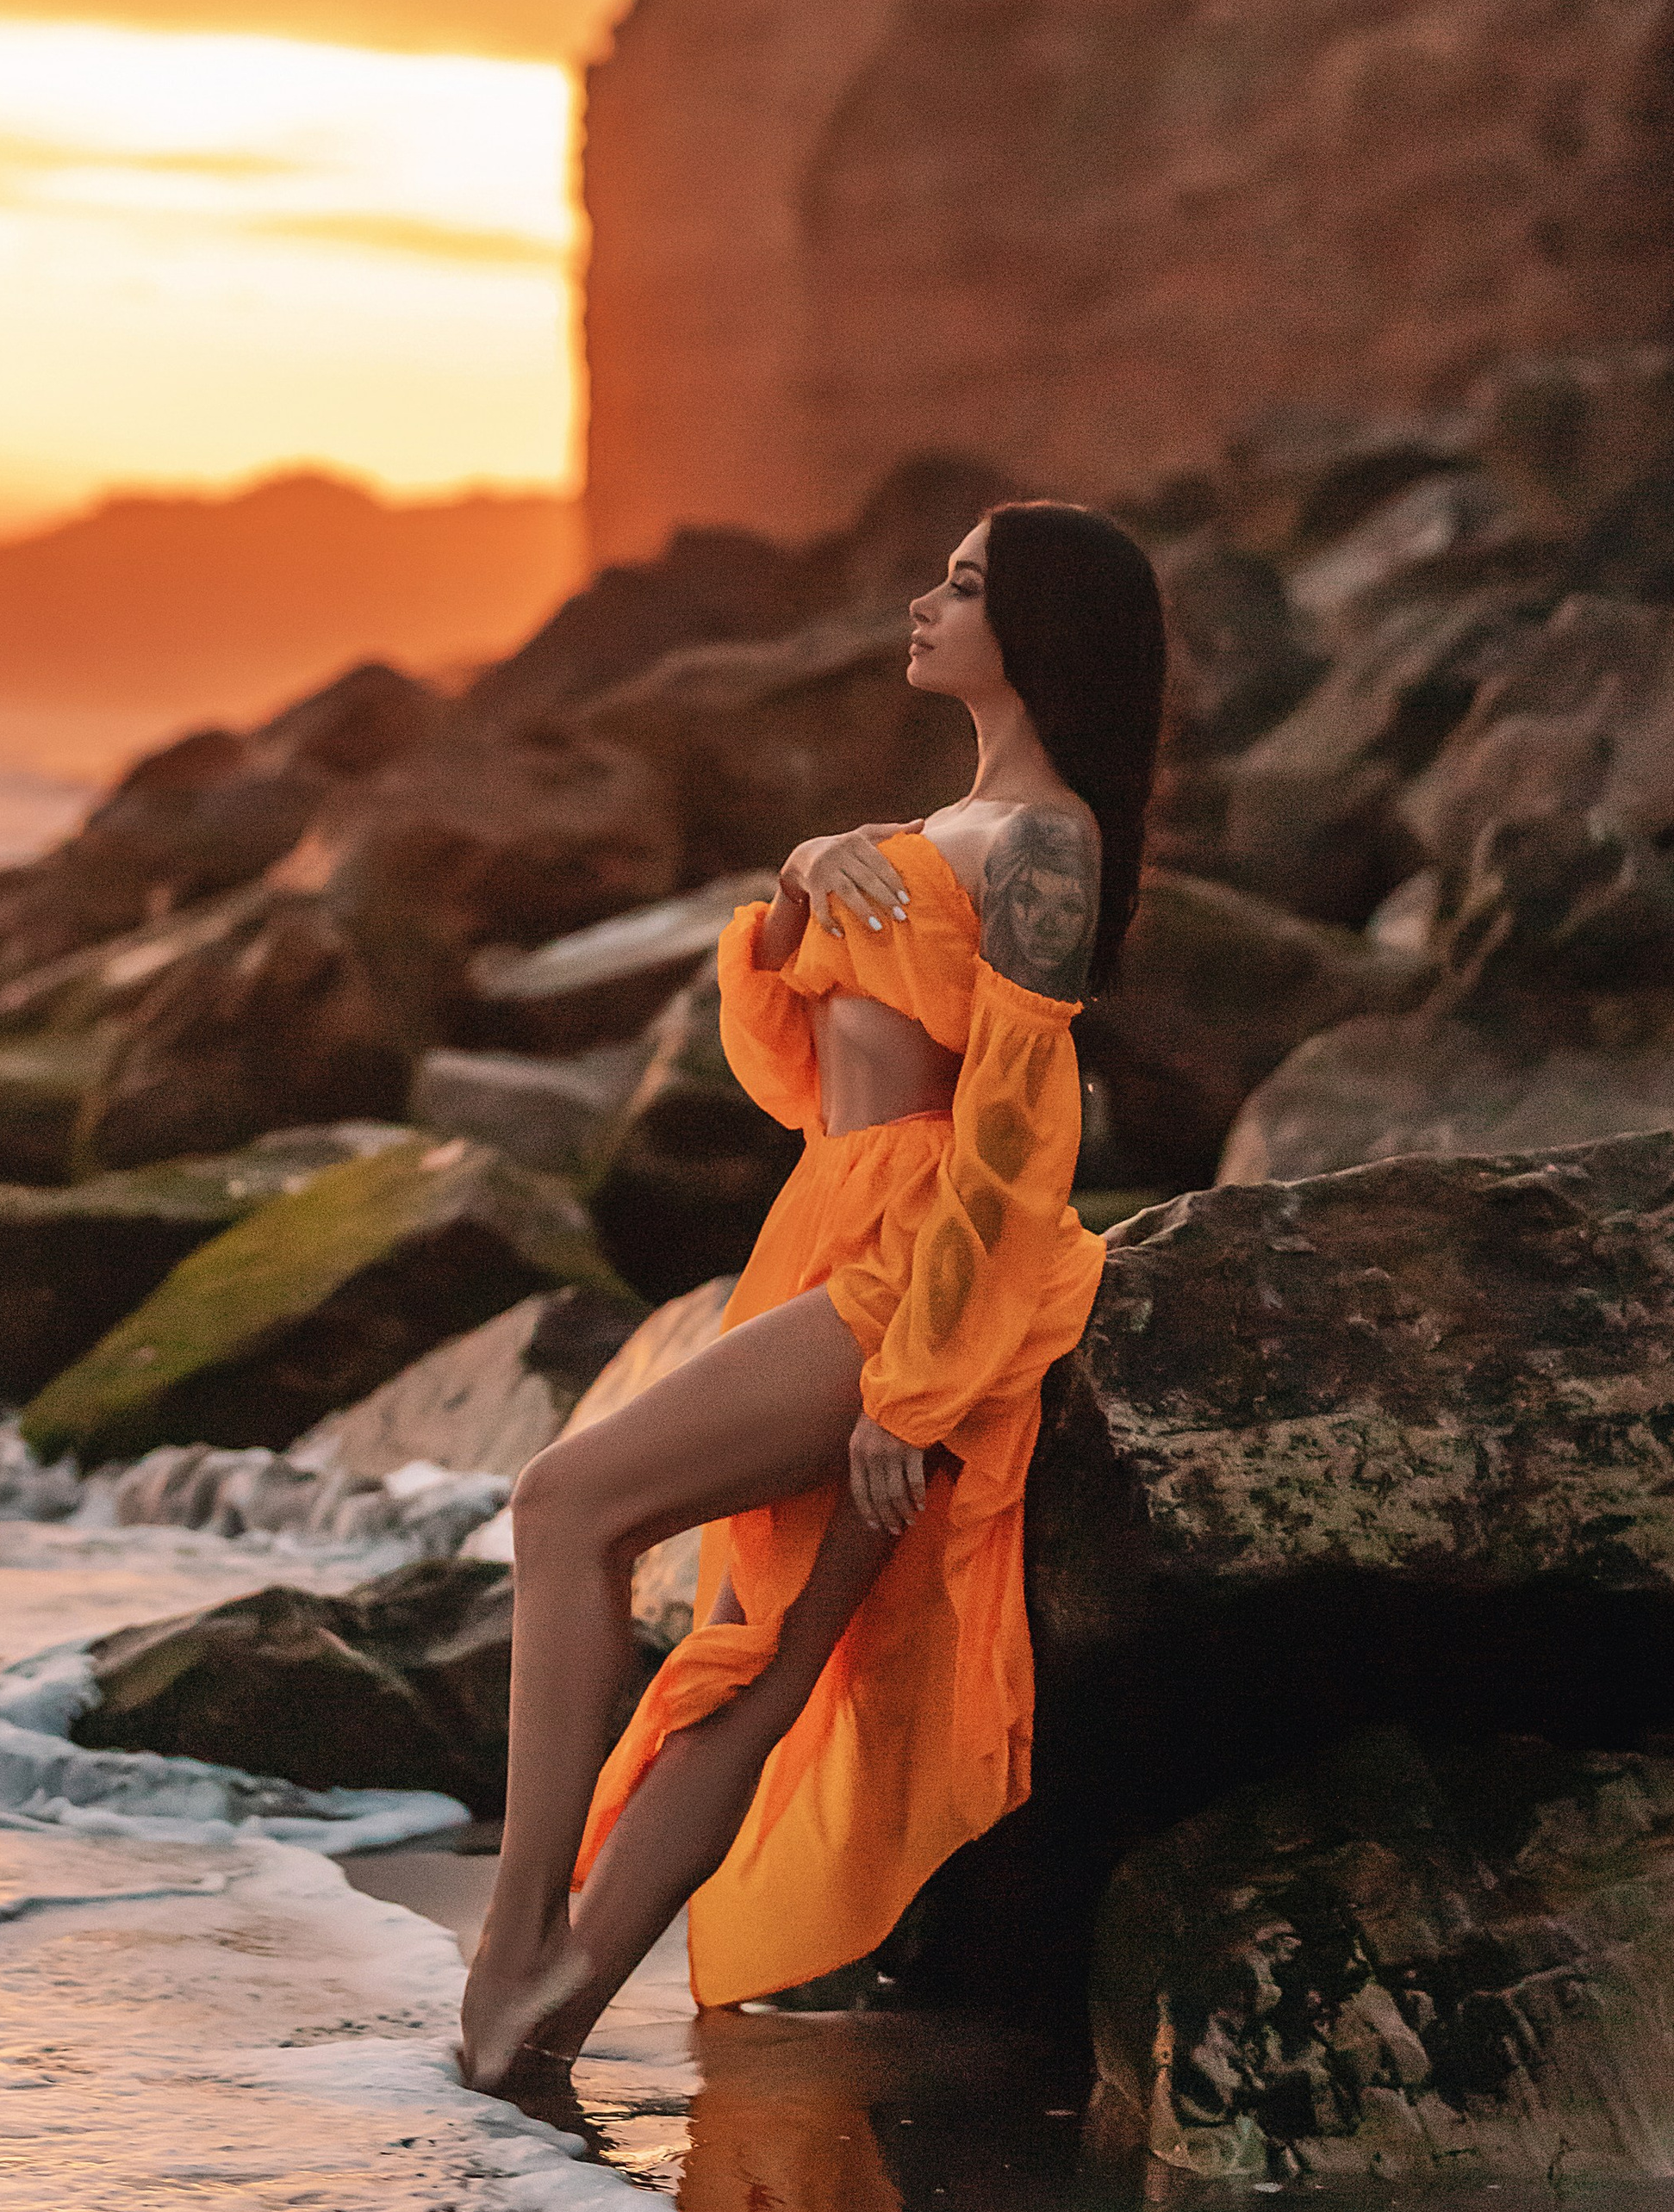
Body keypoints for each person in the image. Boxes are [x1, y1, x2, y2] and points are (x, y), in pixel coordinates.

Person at [457, 500, 1167, 2099]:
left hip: (916, 1267)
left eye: (966, 585)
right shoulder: (961, 822)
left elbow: (1014, 1127)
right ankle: (537, 2028)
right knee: (760, 1659)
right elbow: (791, 1068)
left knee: (567, 1506)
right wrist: (800, 880)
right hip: (835, 1224)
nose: (925, 602)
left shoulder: (1049, 841)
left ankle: (511, 1947)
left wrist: (919, 1385)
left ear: (1038, 632)